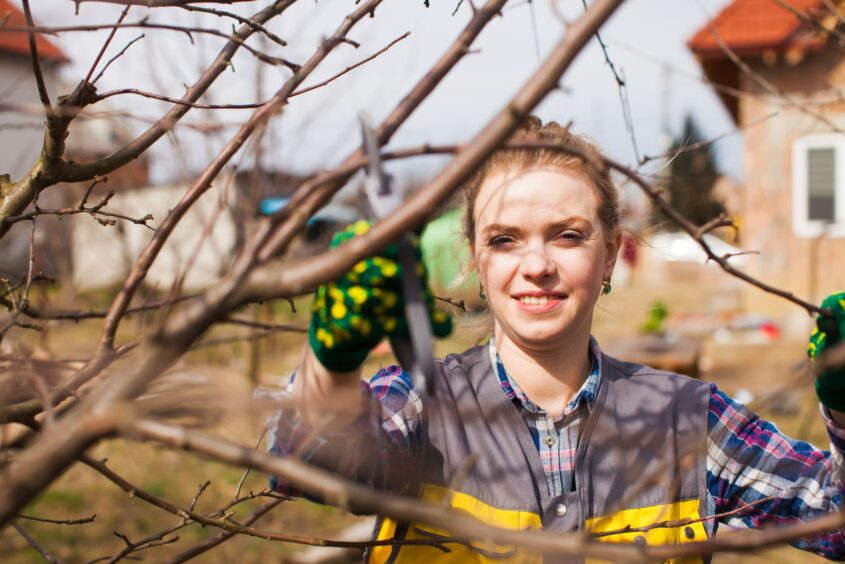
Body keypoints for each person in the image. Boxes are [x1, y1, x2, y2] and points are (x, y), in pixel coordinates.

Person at [268, 117, 845, 563]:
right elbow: (304, 458)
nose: (536, 264)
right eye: (505, 240)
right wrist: (330, 361)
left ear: (611, 254)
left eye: (567, 235)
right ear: (474, 259)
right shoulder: (419, 402)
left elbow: (834, 514)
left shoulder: (690, 420)